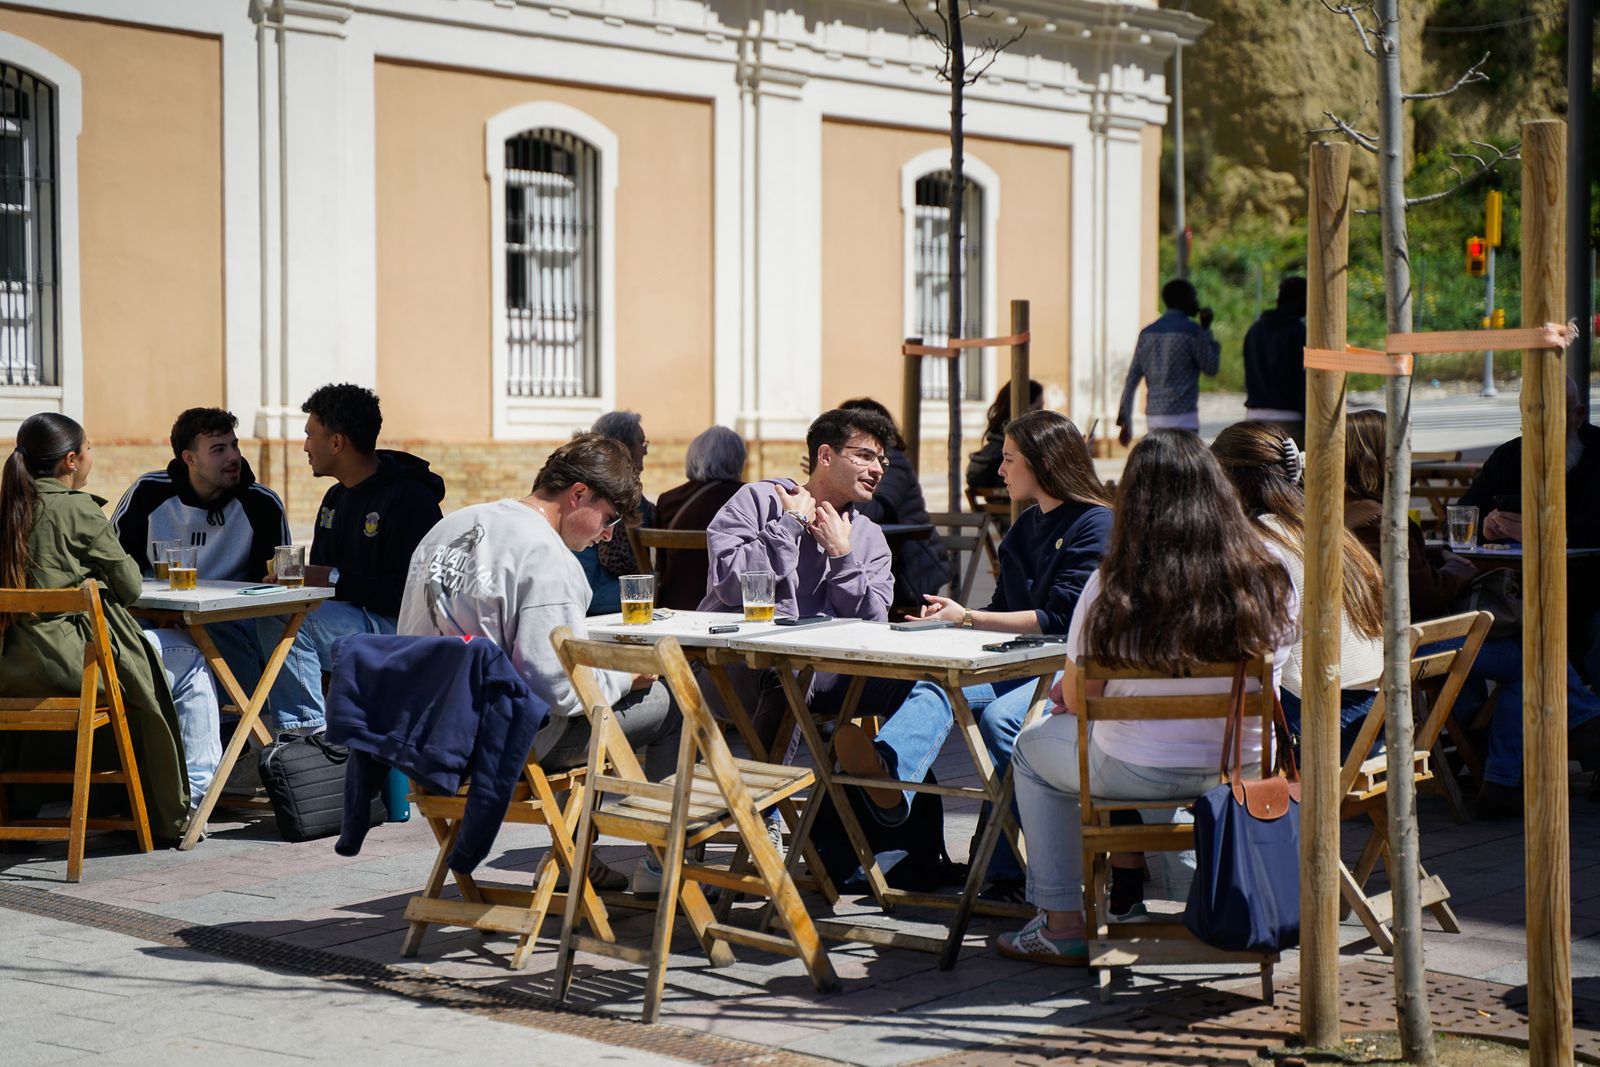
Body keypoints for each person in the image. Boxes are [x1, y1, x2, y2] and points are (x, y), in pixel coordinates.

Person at [995, 430, 1298, 964]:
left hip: (1136, 769)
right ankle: (1168, 896)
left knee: (1031, 749)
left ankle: (1064, 920)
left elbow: (1081, 695)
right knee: (1090, 739)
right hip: (1245, 766)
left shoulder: (1113, 582)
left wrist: (1058, 702)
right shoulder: (1270, 574)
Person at [397, 433, 680, 892]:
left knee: (578, 710)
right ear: (579, 495)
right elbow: (556, 688)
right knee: (669, 705)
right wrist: (628, 679)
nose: (608, 534)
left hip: (418, 734)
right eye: (608, 519)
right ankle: (661, 869)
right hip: (493, 748)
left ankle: (576, 859)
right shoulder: (548, 556)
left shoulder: (454, 525)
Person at [885, 409, 1111, 896]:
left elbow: (1061, 620)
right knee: (938, 684)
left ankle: (1010, 862)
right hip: (1017, 660)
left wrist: (964, 618)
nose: (999, 470)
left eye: (1009, 460)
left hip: (1065, 664)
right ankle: (885, 779)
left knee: (1004, 720)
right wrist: (946, 624)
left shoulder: (1096, 523)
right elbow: (1002, 607)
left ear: (1044, 463)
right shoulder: (1026, 524)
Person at [699, 407, 954, 826]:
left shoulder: (868, 536)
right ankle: (766, 815)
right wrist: (792, 524)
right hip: (739, 668)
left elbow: (872, 627)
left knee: (927, 680)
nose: (877, 469)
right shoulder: (759, 501)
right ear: (825, 456)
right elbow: (728, 584)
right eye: (865, 456)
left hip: (829, 674)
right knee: (790, 671)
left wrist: (842, 556)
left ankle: (880, 780)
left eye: (882, 460)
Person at [1344, 408, 1600, 817]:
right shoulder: (1380, 519)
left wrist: (1435, 560)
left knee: (1516, 645)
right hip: (1402, 645)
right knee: (1533, 658)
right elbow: (1420, 593)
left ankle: (1490, 760)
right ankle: (1528, 761)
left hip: (1375, 639)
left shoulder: (1339, 513)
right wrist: (1455, 572)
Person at [0, 414, 219, 838]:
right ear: (70, 461)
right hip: (73, 669)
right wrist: (94, 581)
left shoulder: (9, 508)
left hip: (12, 670)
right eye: (89, 449)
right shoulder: (76, 509)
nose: (90, 458)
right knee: (190, 658)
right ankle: (190, 801)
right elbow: (131, 585)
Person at [111, 407, 306, 734]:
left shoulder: (262, 504)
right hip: (155, 614)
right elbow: (115, 566)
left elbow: (274, 588)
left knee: (229, 629)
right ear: (189, 458)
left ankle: (239, 739)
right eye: (219, 449)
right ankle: (147, 736)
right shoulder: (148, 493)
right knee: (128, 631)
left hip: (228, 622)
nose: (234, 457)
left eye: (234, 445)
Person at [263, 384, 445, 732]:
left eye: (309, 435)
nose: (304, 446)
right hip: (349, 617)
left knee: (284, 619)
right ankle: (247, 732)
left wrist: (330, 577)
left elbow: (408, 595)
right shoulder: (334, 497)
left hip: (399, 629)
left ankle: (306, 739)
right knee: (244, 620)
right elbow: (322, 578)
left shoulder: (410, 499)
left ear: (336, 442)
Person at [1212, 420, 1383, 758]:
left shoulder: (1257, 542)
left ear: (1228, 480)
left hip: (1317, 726)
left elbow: (1259, 648)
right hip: (1373, 719)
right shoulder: (1324, 526)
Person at [1455, 378, 1600, 691]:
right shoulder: (1508, 457)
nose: (1539, 429)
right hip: (1513, 597)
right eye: (1529, 417)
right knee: (1455, 629)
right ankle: (1475, 733)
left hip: (1588, 589)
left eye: (1550, 417)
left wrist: (1548, 534)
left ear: (1577, 414)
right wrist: (1483, 528)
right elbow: (1460, 517)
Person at [838, 397, 952, 612]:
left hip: (911, 568)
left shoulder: (893, 462)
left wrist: (843, 481)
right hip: (891, 561)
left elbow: (874, 509)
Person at [1116, 279, 1219, 446]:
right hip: (1184, 418)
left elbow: (1132, 379)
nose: (1197, 303)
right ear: (1183, 300)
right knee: (1184, 469)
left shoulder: (1147, 334)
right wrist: (1207, 330)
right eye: (1194, 297)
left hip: (1155, 418)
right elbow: (1211, 367)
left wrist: (1125, 419)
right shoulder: (1193, 332)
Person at [654, 425, 746, 610]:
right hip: (726, 607)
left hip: (673, 606)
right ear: (738, 460)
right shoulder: (747, 499)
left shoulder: (668, 500)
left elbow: (660, 566)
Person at [579, 410, 654, 616]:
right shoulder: (604, 499)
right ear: (624, 447)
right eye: (642, 443)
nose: (645, 451)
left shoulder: (637, 501)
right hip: (604, 607)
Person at [1242, 277, 1308, 445]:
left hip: (1254, 418)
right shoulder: (1299, 332)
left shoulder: (1255, 330)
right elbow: (1302, 382)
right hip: (1288, 420)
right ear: (1297, 299)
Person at [966, 380, 1044, 493]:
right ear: (1023, 408)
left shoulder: (991, 447)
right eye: (1038, 408)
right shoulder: (1019, 448)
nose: (1041, 415)